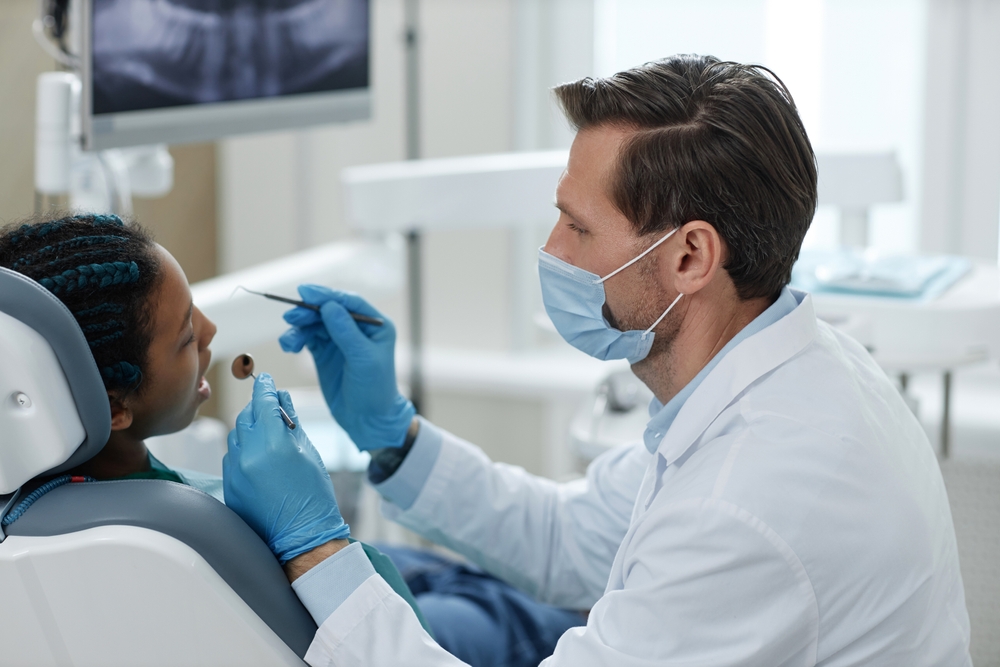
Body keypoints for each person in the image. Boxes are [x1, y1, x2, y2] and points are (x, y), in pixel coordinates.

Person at [223, 55, 972, 666]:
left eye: (578, 227)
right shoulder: (783, 368)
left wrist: (318, 548)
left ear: (689, 255)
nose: (552, 251)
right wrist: (394, 436)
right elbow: (565, 537)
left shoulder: (747, 505)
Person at [0, 213, 429, 633]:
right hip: (392, 627)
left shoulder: (25, 518)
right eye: (187, 335)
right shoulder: (210, 527)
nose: (211, 329)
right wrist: (316, 539)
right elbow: (403, 638)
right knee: (485, 599)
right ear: (114, 408)